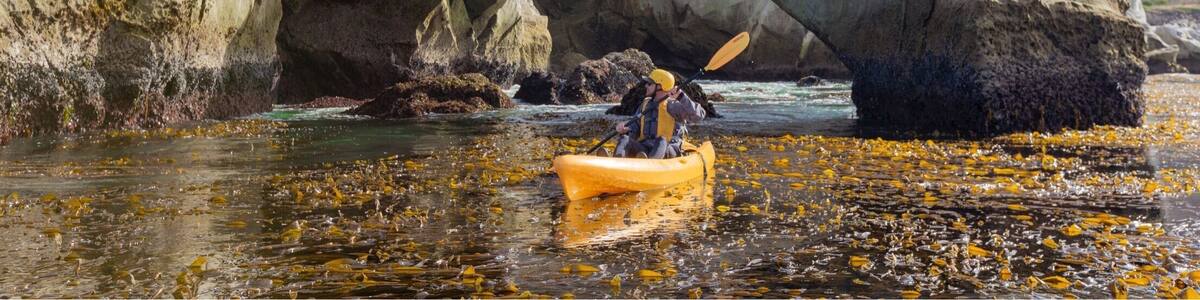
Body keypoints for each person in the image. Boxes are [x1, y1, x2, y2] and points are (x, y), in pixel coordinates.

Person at [612, 69, 706, 159]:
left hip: (668, 149)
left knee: (661, 140)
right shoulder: (645, 105)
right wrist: (626, 128)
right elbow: (635, 125)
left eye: (649, 84)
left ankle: (651, 165)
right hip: (645, 148)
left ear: (660, 86)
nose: (646, 86)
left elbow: (699, 116)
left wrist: (681, 97)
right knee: (624, 139)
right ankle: (617, 162)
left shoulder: (673, 106)